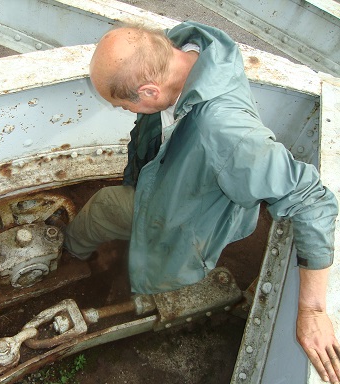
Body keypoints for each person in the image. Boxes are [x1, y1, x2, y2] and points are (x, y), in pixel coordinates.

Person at [63, 21, 340, 382]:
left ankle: (72, 253)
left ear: (148, 91)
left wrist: (313, 310)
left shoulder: (224, 133)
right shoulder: (188, 45)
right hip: (186, 177)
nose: (122, 110)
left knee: (102, 208)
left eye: (122, 104)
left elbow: (311, 198)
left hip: (188, 214)